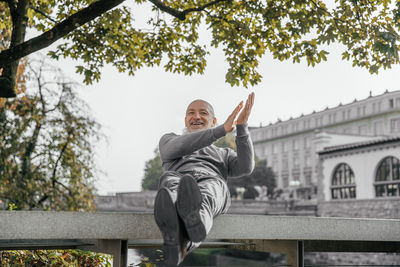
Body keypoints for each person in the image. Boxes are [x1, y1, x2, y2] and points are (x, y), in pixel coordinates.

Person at [154, 92, 255, 266]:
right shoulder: (169, 140)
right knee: (170, 180)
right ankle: (178, 239)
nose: (196, 116)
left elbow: (246, 167)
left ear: (213, 121)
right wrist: (221, 131)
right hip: (179, 180)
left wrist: (242, 127)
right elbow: (176, 148)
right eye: (191, 113)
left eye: (203, 112)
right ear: (186, 120)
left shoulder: (224, 154)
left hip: (212, 184)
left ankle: (185, 228)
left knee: (210, 191)